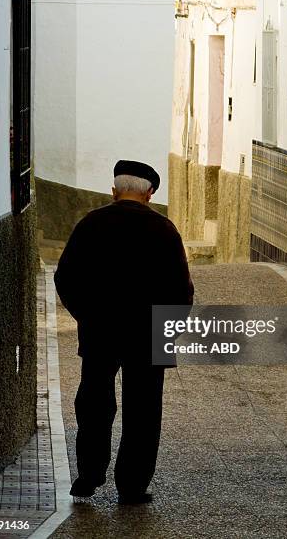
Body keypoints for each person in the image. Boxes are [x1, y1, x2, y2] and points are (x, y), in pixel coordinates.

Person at [54, 160, 194, 504]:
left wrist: (85, 316)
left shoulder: (91, 224)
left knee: (94, 405)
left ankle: (88, 476)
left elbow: (65, 278)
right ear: (150, 193)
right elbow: (182, 290)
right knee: (144, 412)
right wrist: (168, 332)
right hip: (149, 335)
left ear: (114, 191)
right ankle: (132, 486)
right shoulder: (164, 230)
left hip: (100, 332)